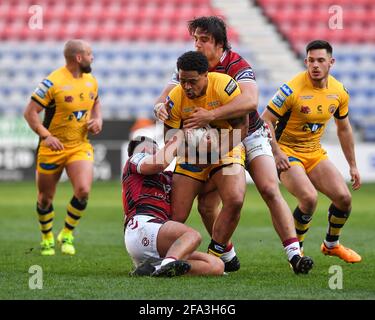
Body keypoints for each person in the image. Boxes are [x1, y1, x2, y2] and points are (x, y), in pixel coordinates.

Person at [154, 16, 312, 274]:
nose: (197, 45)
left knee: (269, 188)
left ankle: (294, 253)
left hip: (248, 132)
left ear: (220, 44)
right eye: (195, 39)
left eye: (203, 40)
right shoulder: (190, 68)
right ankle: (226, 254)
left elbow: (250, 102)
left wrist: (211, 115)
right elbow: (165, 99)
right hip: (215, 138)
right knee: (206, 205)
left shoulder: (237, 64)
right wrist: (159, 108)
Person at [261, 40, 361, 263]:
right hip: (287, 151)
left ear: (331, 62)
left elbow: (343, 128)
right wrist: (277, 153)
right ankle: (296, 253)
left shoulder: (339, 91)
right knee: (308, 198)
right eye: (311, 60)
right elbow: (265, 120)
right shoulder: (291, 89)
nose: (315, 65)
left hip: (314, 152)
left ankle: (331, 245)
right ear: (305, 61)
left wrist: (353, 165)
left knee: (344, 198)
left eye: (320, 60)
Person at [24, 39, 102, 256]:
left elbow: (96, 103)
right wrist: (45, 136)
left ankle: (67, 233)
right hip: (52, 148)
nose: (92, 57)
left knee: (83, 190)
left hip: (79, 145)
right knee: (45, 197)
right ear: (79, 57)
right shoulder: (52, 82)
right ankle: (47, 236)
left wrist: (98, 120)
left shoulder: (91, 81)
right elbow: (29, 112)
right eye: (89, 53)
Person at [123, 134, 224, 277]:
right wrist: (180, 136)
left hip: (159, 238)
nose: (155, 150)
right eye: (152, 148)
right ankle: (168, 264)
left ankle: (152, 268)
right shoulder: (133, 161)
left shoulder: (169, 177)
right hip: (142, 226)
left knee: (216, 266)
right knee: (191, 235)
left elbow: (204, 185)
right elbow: (158, 163)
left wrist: (222, 165)